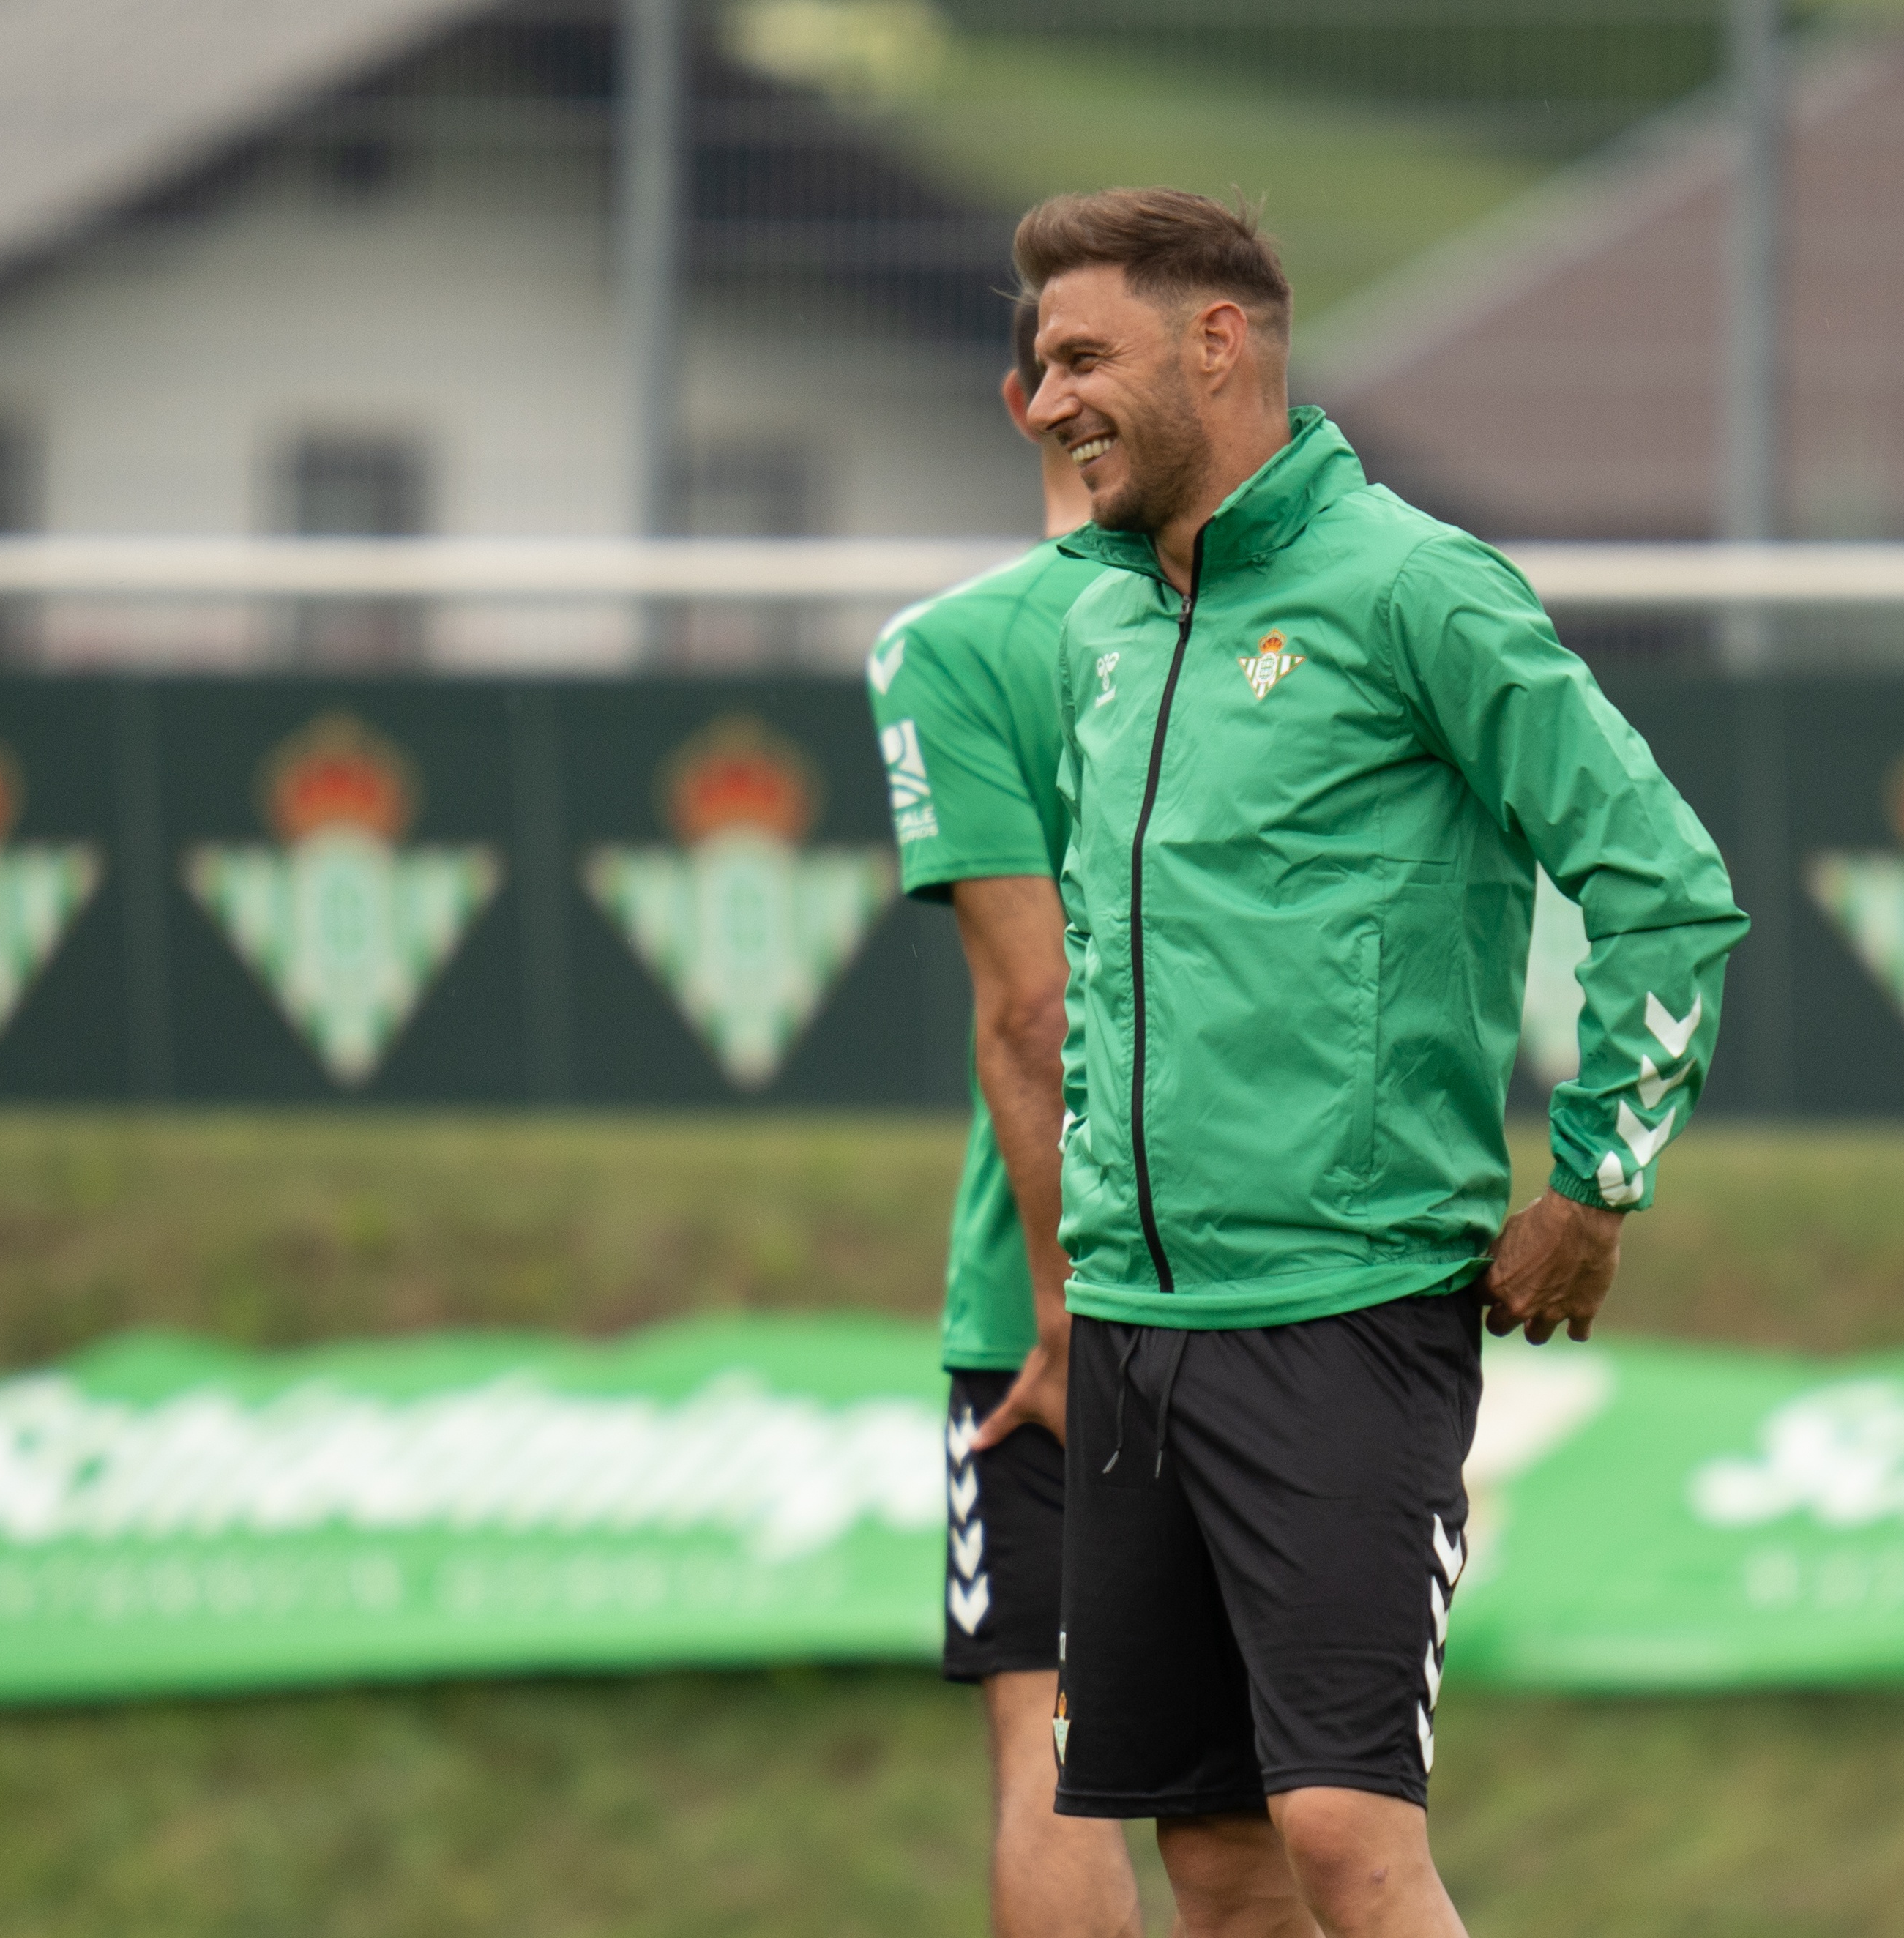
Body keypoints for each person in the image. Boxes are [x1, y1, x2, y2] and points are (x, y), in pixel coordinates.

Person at [1020, 187, 1747, 1938]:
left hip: (1341, 1322)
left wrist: (1595, 1179)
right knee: (1207, 1857)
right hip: (1132, 1329)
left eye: (1078, 356)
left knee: (1346, 1834)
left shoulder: (1413, 586)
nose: (1041, 403)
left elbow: (1665, 887)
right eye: (1034, 362)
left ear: (1218, 343)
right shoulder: (1095, 625)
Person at [866, 298, 1143, 1938]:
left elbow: (1029, 1013)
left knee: (1054, 1742)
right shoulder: (1272, 630)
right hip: (1273, 1285)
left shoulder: (955, 645)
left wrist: (1058, 1300)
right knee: (1276, 1799)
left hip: (1056, 1295)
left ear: (1018, 404)